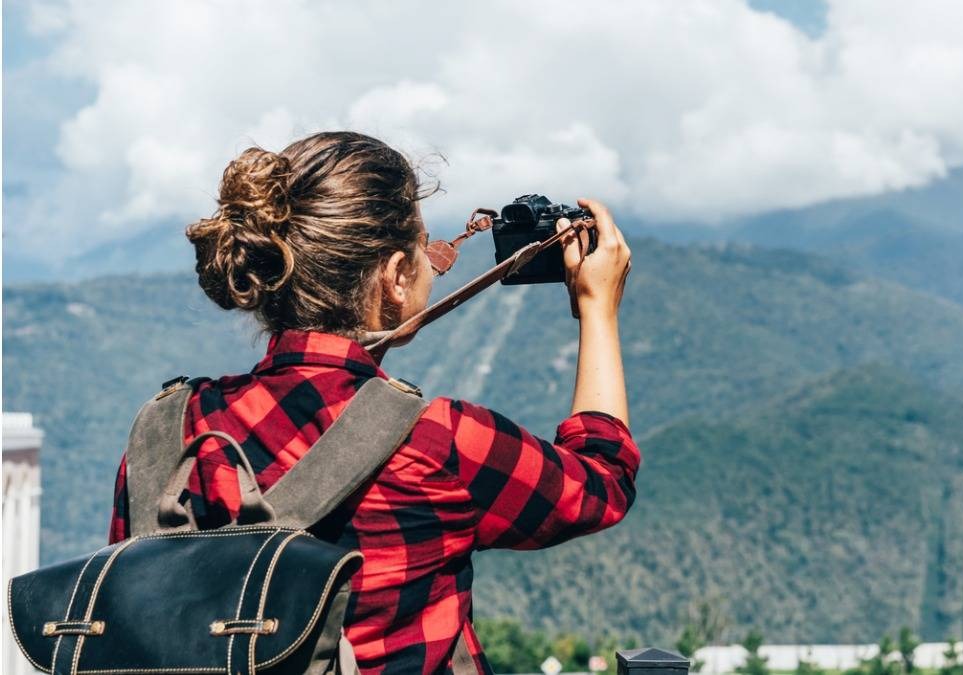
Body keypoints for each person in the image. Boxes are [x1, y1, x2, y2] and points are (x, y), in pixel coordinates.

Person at [106, 131, 639, 674]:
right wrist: (598, 311)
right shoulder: (438, 442)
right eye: (427, 249)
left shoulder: (166, 435)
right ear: (396, 277)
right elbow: (602, 482)